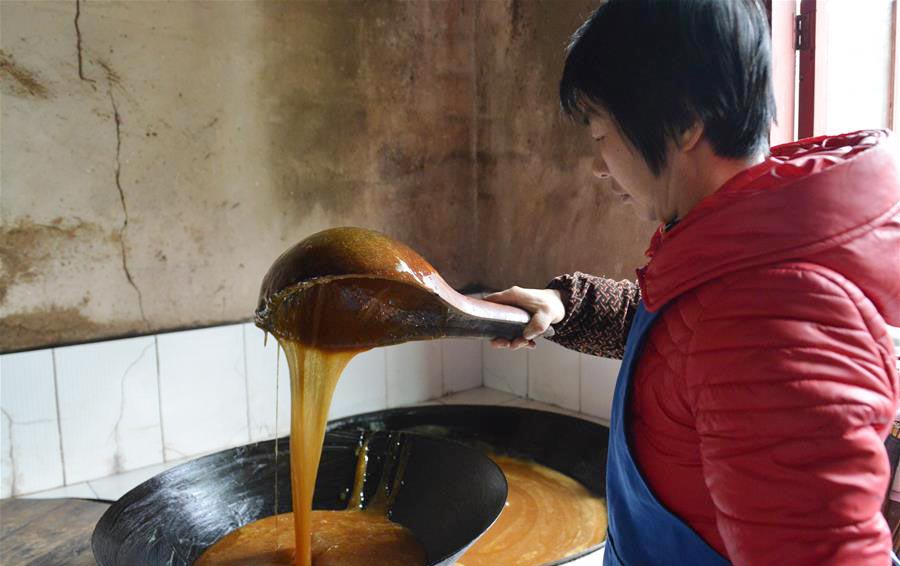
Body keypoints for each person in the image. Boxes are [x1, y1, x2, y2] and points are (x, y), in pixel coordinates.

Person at [483, 0, 900, 564]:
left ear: (685, 122)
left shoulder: (768, 316)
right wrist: (568, 307)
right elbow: (686, 337)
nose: (600, 166)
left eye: (602, 133)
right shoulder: (738, 248)